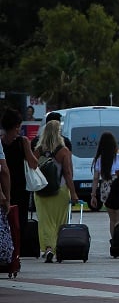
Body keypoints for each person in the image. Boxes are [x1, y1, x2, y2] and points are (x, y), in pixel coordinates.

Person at [34, 119, 81, 262]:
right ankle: (58, 248)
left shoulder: (38, 150)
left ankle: (48, 248)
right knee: (60, 221)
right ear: (58, 133)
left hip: (41, 191)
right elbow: (67, 173)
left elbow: (32, 168)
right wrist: (73, 193)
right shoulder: (63, 150)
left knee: (45, 221)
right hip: (59, 191)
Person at [1, 108, 37, 238]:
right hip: (19, 186)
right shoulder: (23, 142)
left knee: (6, 222)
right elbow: (34, 164)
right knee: (19, 222)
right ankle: (16, 251)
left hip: (6, 186)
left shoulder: (2, 143)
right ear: (15, 126)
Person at [90, 132, 119, 243]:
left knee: (112, 219)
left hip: (106, 188)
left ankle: (114, 240)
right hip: (118, 187)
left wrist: (93, 195)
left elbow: (96, 178)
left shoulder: (99, 159)